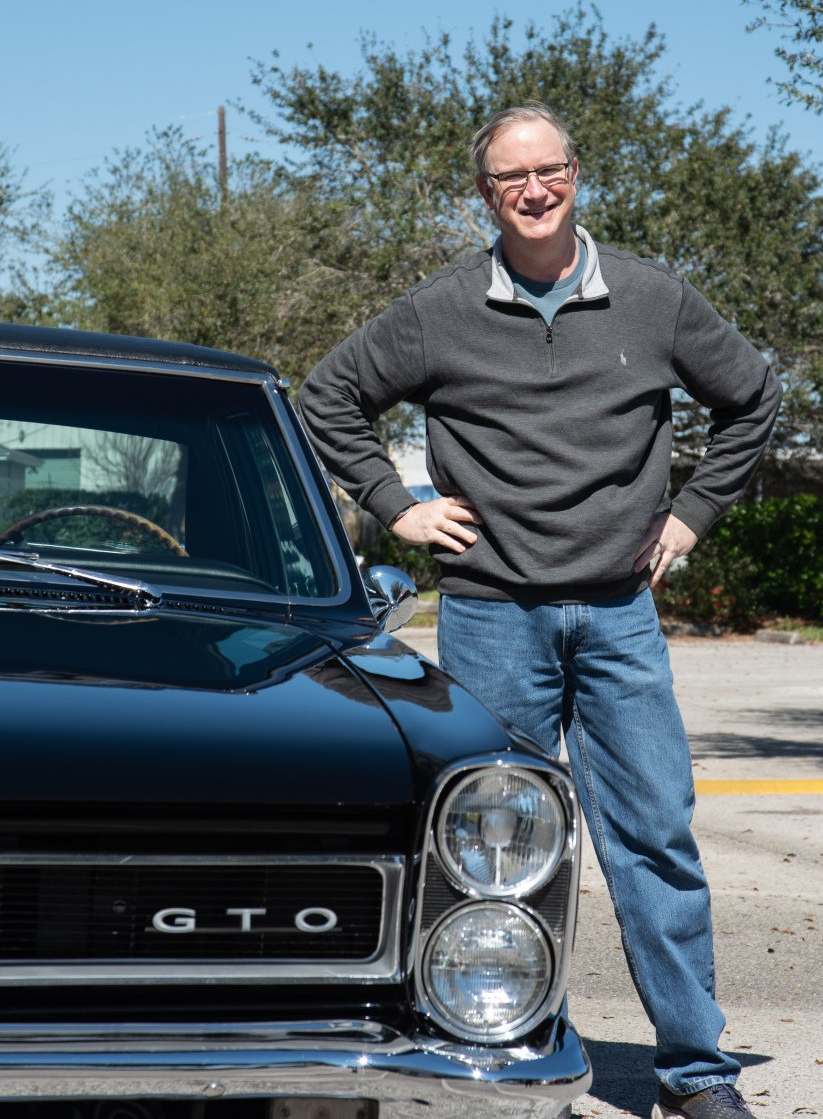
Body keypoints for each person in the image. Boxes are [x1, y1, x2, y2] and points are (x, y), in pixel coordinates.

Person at [299, 102, 781, 1119]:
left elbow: (754, 400)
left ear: (575, 173)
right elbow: (328, 397)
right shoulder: (437, 311)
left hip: (618, 619)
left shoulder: (655, 299)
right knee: (488, 850)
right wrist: (399, 508)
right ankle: (490, 1052)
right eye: (508, 178)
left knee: (654, 841)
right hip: (490, 617)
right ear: (485, 195)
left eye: (547, 170)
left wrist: (692, 516)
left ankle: (697, 1072)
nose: (532, 190)